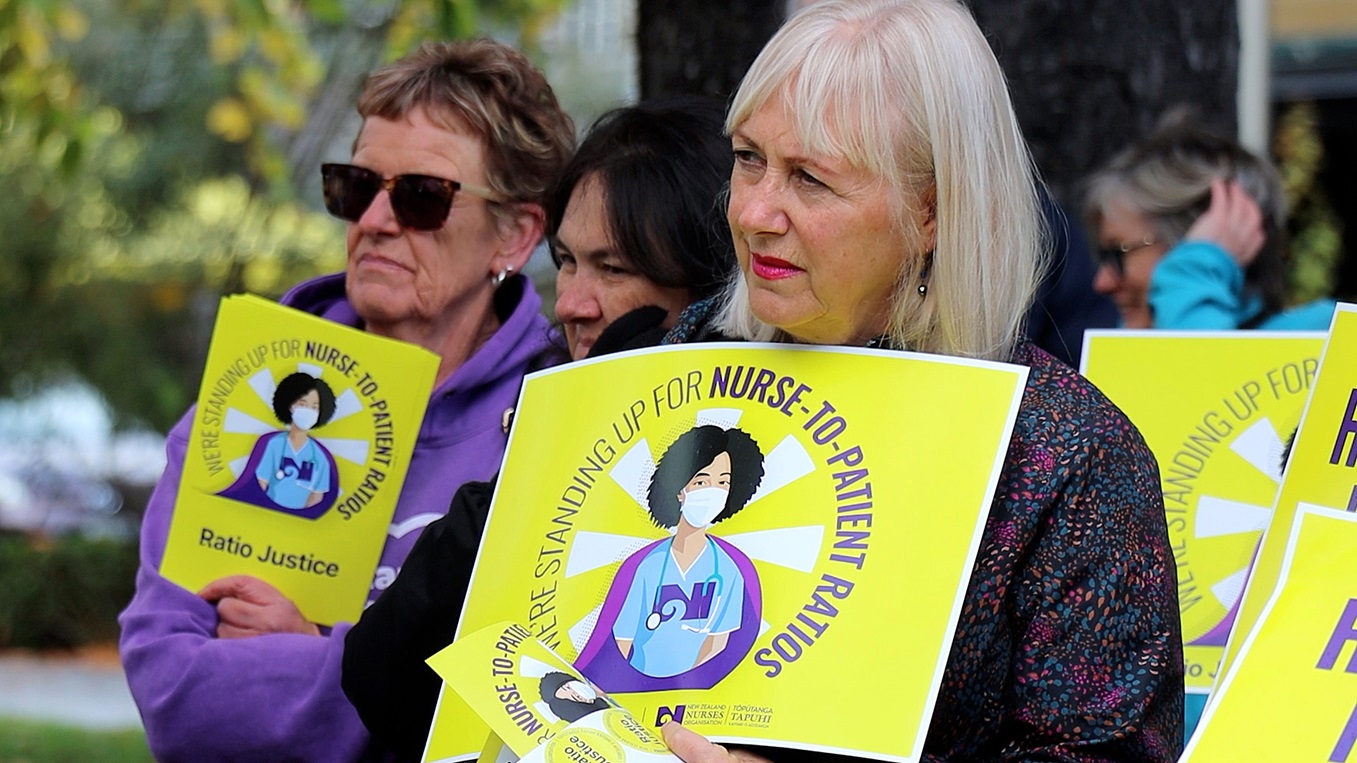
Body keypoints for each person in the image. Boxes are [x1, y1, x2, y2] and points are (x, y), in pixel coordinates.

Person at [658, 0, 1184, 760]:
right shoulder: (686, 357)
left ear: (931, 209)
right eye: (747, 157)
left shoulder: (1069, 458)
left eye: (809, 177)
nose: (754, 211)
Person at [118, 39, 575, 761]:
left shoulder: (564, 418)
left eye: (422, 196)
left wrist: (319, 650)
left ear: (516, 235)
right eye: (356, 187)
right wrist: (388, 672)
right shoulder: (250, 398)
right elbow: (178, 701)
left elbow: (525, 714)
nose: (374, 221)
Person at [340, 94, 738, 760]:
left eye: (613, 269)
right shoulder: (548, 428)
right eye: (568, 262)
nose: (574, 305)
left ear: (706, 290)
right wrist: (552, 447)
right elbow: (380, 676)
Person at [1084, 113, 1337, 330]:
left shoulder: (1325, 341)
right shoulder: (1127, 349)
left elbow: (1214, 383)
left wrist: (1195, 269)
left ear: (1194, 238)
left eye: (1117, 254)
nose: (1102, 282)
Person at [576, 425, 764, 688]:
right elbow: (622, 641)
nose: (713, 491)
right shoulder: (645, 566)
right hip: (633, 689)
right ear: (680, 490)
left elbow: (717, 642)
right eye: (701, 481)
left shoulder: (730, 570)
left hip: (695, 690)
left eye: (722, 482)